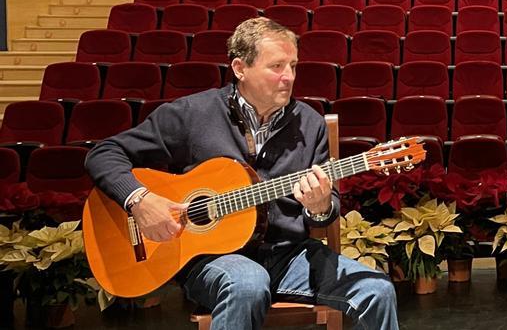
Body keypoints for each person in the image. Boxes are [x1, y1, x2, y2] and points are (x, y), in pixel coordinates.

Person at [85, 18, 398, 330]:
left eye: (293, 66)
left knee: (377, 290)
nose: (288, 77)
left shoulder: (310, 123)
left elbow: (325, 211)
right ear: (240, 68)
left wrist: (318, 207)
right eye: (276, 66)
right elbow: (104, 153)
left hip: (287, 256)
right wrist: (139, 200)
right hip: (210, 259)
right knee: (248, 282)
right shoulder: (193, 114)